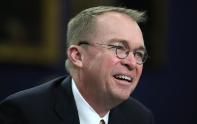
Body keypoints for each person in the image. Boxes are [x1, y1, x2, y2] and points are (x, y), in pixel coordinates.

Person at [0, 6, 153, 124]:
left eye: (138, 53)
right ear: (78, 56)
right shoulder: (25, 113)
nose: (132, 63)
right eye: (119, 48)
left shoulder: (139, 117)